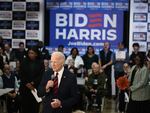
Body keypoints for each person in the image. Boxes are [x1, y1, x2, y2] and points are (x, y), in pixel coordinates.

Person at [19, 46, 45, 113]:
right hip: (25, 88)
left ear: (36, 54)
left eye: (32, 53)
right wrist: (27, 84)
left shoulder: (41, 63)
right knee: (25, 107)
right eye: (29, 53)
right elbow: (21, 74)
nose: (30, 54)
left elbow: (41, 75)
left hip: (35, 88)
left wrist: (33, 83)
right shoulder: (23, 62)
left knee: (34, 108)